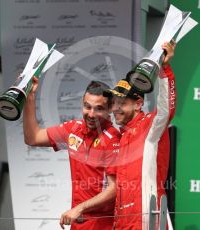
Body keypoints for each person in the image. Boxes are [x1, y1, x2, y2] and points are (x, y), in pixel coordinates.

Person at [23, 79, 121, 230]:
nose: (91, 114)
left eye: (99, 108)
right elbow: (33, 137)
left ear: (110, 109)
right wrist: (30, 97)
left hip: (103, 225)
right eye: (87, 107)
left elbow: (114, 189)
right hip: (78, 222)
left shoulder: (113, 139)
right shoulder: (74, 129)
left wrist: (79, 208)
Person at [104, 41, 176, 229]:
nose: (115, 109)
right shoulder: (120, 137)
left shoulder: (150, 126)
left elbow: (166, 109)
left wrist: (164, 70)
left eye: (122, 103)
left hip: (149, 222)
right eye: (114, 103)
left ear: (138, 104)